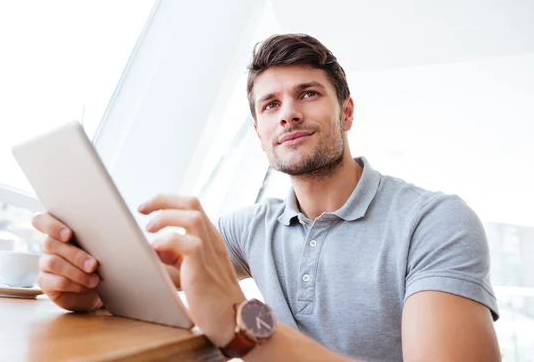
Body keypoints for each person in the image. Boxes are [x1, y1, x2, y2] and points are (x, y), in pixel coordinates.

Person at [32, 34, 501, 361]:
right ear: (259, 133)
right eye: (270, 105)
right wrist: (86, 283)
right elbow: (147, 278)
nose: (289, 114)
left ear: (348, 112)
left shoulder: (434, 221)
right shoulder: (248, 227)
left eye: (308, 94)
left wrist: (241, 320)